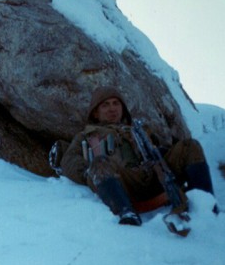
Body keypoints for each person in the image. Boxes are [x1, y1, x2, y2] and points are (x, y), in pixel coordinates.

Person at [59, 86, 216, 226]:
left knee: (190, 146)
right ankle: (126, 213)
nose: (112, 108)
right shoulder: (85, 136)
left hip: (154, 176)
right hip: (123, 182)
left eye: (116, 103)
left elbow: (161, 151)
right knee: (100, 163)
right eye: (105, 105)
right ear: (95, 112)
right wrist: (91, 173)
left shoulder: (139, 130)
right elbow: (69, 161)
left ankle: (206, 205)